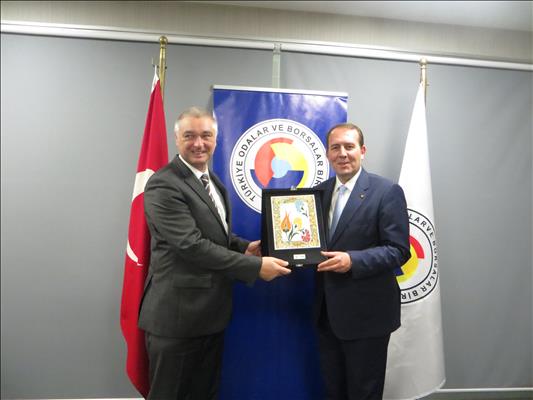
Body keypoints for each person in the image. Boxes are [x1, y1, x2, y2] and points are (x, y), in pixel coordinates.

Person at [138, 107, 291, 400]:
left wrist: (243, 246)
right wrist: (253, 266)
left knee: (204, 394)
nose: (199, 143)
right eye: (189, 136)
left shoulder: (211, 180)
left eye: (206, 135)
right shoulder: (163, 184)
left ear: (216, 139)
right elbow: (191, 245)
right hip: (176, 320)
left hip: (210, 317)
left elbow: (214, 234)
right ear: (176, 139)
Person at [314, 123, 411, 400]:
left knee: (364, 393)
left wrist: (352, 261)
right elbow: (306, 241)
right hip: (326, 314)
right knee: (334, 391)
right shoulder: (317, 193)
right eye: (335, 147)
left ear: (362, 150)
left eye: (349, 146)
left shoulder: (387, 191)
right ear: (327, 153)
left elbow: (399, 250)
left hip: (368, 316)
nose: (342, 153)